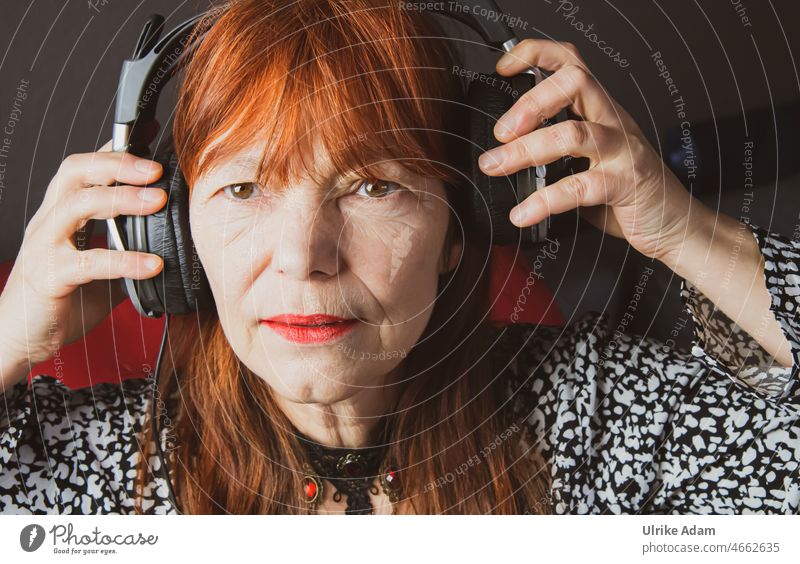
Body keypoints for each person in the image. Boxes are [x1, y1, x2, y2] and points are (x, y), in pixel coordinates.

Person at [0, 0, 798, 515]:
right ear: (167, 232)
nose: (303, 258)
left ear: (461, 224)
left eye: (373, 186)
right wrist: (8, 338)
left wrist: (683, 230)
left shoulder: (594, 422)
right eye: (244, 189)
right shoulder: (111, 475)